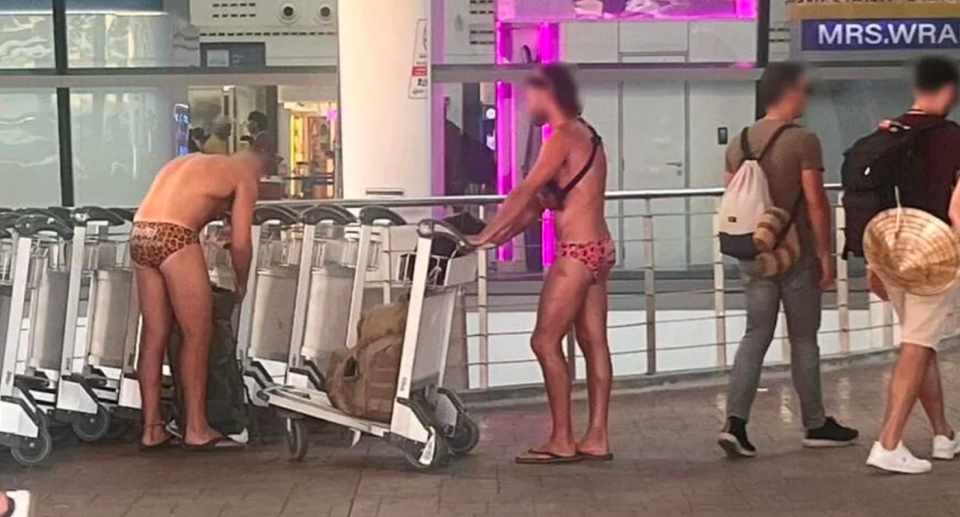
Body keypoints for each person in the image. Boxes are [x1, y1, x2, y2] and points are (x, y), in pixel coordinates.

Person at [469, 64, 614, 464]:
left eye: (530, 96)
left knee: (544, 341)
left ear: (547, 93)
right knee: (594, 343)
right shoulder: (589, 134)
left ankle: (562, 439)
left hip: (577, 253)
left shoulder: (562, 136)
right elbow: (539, 206)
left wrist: (484, 236)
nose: (526, 104)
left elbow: (524, 190)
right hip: (600, 250)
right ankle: (597, 436)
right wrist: (496, 236)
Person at [718, 62, 858, 459]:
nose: (806, 98)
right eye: (803, 91)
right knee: (803, 339)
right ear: (790, 92)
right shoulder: (804, 140)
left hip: (754, 256)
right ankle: (815, 423)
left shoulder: (740, 141)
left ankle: (735, 424)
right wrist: (825, 255)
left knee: (754, 335)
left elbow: (736, 201)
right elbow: (816, 202)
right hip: (795, 257)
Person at [130, 151, 265, 450]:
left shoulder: (185, 162)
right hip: (175, 236)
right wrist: (242, 283)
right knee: (197, 335)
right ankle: (196, 428)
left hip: (141, 232)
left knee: (154, 335)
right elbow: (241, 243)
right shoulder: (244, 178)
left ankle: (152, 429)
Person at [865, 56, 960, 475]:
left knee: (922, 341)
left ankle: (944, 434)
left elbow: (873, 202)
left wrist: (874, 264)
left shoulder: (888, 134)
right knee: (917, 345)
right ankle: (888, 442)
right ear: (949, 91)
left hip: (893, 252)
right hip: (935, 254)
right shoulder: (952, 138)